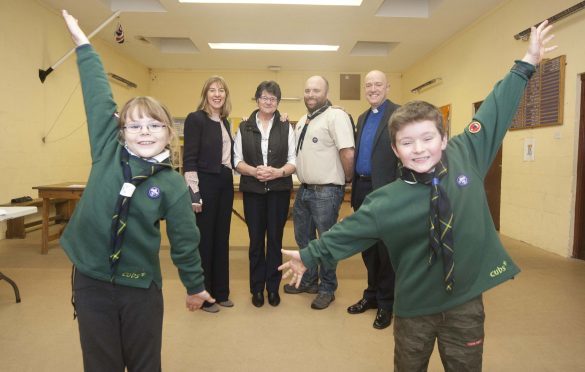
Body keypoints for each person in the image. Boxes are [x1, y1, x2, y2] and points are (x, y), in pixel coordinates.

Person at [280, 21, 555, 371]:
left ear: (443, 138)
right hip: (413, 310)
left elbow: (495, 110)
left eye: (427, 138)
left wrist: (526, 64)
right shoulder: (385, 200)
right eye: (407, 143)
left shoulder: (466, 154)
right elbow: (345, 234)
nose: (420, 150)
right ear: (396, 150)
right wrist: (308, 255)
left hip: (466, 302)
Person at [59, 10, 213, 372]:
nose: (144, 132)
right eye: (135, 125)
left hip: (139, 285)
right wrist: (83, 44)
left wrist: (194, 286)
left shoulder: (171, 184)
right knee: (100, 362)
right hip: (91, 278)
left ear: (169, 132)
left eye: (154, 124)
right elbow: (97, 93)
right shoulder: (107, 151)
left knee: (144, 363)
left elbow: (185, 240)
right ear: (122, 131)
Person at [284, 75, 355, 310]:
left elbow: (347, 152)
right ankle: (309, 280)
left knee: (327, 242)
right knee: (304, 239)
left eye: (316, 90)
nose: (311, 95)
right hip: (303, 190)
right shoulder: (304, 119)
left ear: (326, 92)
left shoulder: (337, 116)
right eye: (307, 90)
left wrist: (346, 180)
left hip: (326, 192)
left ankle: (327, 288)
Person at [233, 81, 296, 307]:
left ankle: (273, 288)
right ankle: (257, 288)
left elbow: (293, 161)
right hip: (253, 192)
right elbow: (236, 160)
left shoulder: (286, 127)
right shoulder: (244, 127)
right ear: (257, 99)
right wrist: (254, 171)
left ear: (277, 102)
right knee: (256, 241)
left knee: (276, 241)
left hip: (278, 191)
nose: (268, 102)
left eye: (273, 99)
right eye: (264, 98)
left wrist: (277, 172)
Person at [348, 70, 400, 330]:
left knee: (385, 250)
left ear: (387, 87)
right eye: (368, 85)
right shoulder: (362, 117)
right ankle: (371, 295)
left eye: (378, 84)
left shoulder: (399, 114)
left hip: (386, 191)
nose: (372, 89)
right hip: (362, 189)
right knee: (368, 248)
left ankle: (386, 303)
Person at [183, 75, 235, 313]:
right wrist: (194, 193)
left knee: (221, 237)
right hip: (205, 182)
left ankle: (221, 292)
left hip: (225, 181)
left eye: (221, 90)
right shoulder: (196, 119)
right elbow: (189, 159)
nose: (217, 94)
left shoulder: (224, 121)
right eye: (212, 90)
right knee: (205, 240)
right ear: (205, 94)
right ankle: (204, 296)